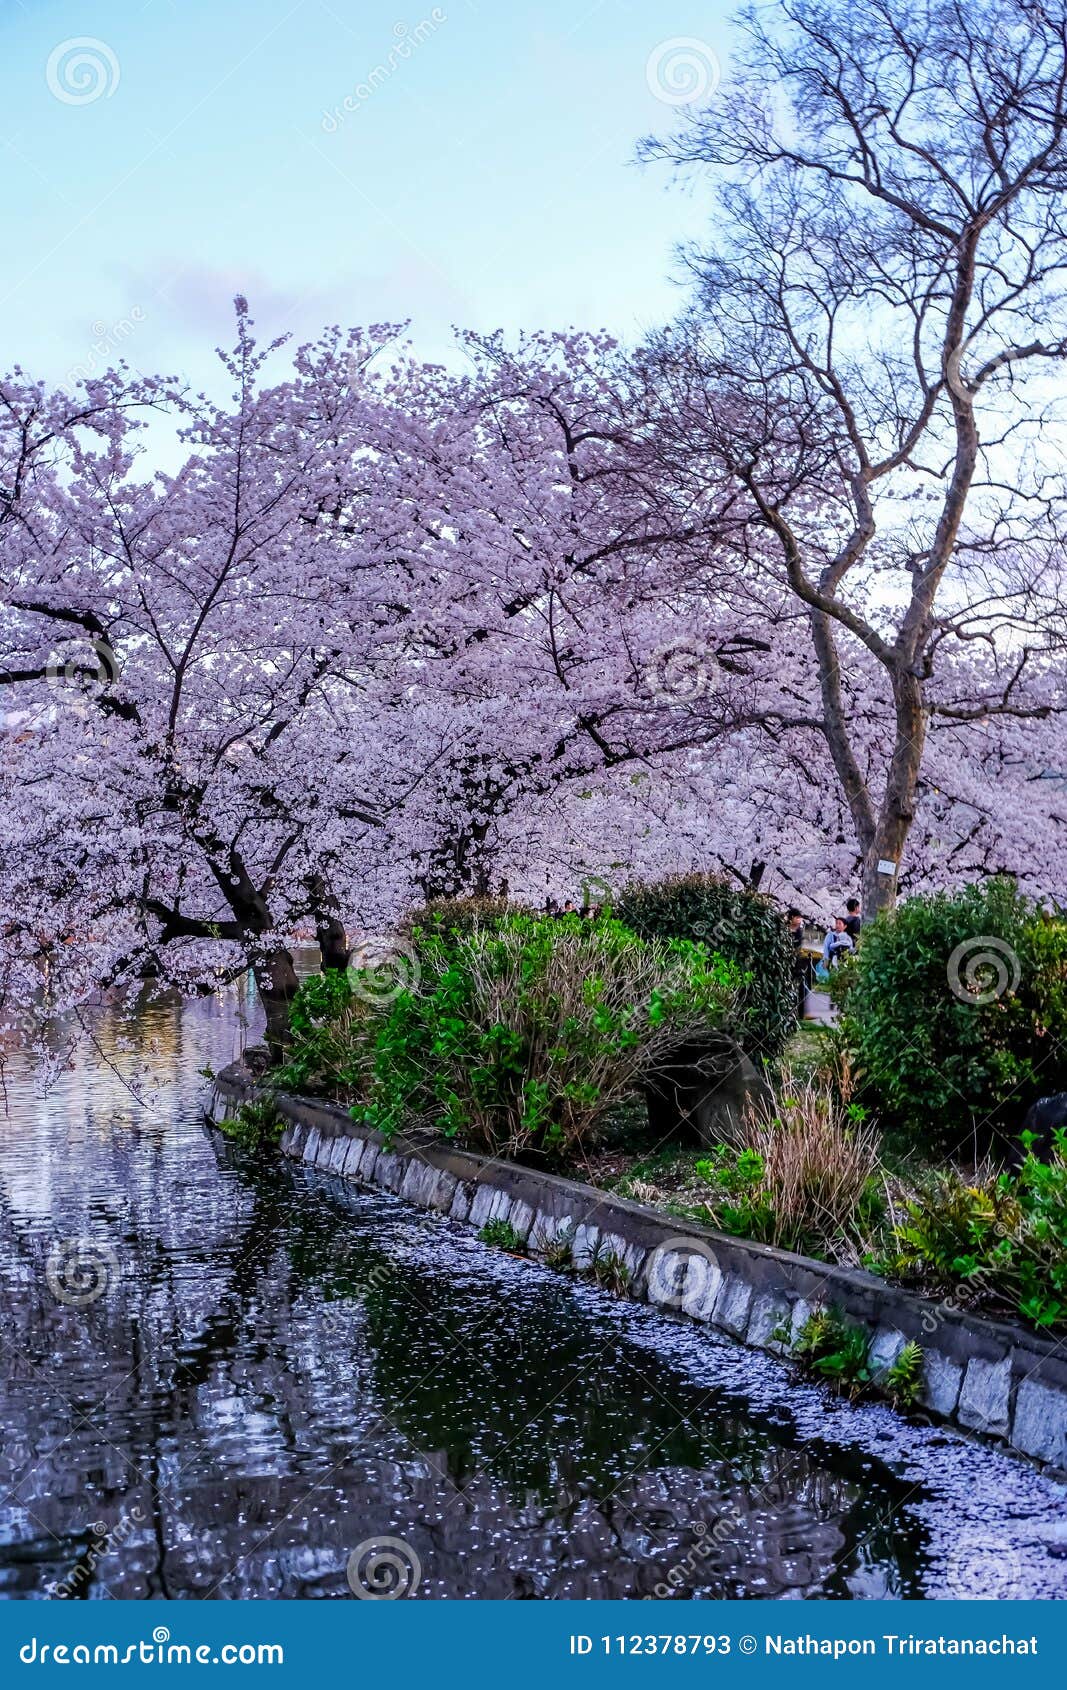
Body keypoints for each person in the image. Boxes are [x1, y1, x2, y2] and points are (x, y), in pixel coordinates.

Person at [816, 917, 854, 981]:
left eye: (840, 923)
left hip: (844, 959)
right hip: (832, 957)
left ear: (845, 926)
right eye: (836, 923)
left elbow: (851, 949)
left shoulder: (848, 938)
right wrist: (826, 960)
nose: (837, 925)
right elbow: (826, 948)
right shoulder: (830, 935)